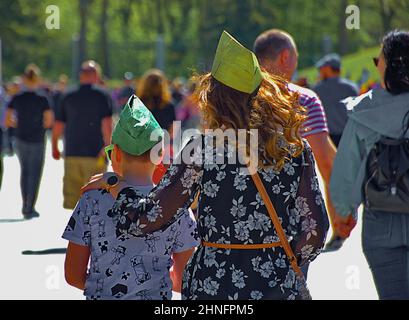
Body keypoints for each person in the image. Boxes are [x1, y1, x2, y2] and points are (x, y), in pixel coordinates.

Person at [82, 31, 329, 300]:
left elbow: (147, 220)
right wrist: (278, 259)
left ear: (214, 97)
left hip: (215, 286)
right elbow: (315, 231)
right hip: (278, 287)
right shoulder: (295, 148)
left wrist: (116, 185)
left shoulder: (202, 149)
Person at [63, 95, 198, 300]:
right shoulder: (177, 206)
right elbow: (184, 280)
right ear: (159, 155)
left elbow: (73, 275)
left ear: (116, 153)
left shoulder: (91, 200)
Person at [253, 29, 353, 253]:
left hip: (233, 223)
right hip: (288, 224)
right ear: (285, 57)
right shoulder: (303, 99)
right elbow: (326, 162)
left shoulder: (232, 97)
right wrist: (343, 212)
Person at [330, 30, 409, 300]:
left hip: (380, 220)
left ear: (388, 66)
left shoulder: (365, 111)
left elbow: (346, 169)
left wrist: (344, 214)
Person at [52, 60, 113, 210]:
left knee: (73, 201)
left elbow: (58, 124)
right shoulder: (102, 95)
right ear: (96, 75)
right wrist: (108, 147)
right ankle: (91, 232)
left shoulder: (67, 95)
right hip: (95, 154)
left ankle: (75, 231)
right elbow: (107, 124)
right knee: (95, 198)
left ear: (80, 76)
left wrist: (54, 146)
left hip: (72, 153)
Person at [5, 64, 53, 218]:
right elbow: (48, 121)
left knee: (25, 171)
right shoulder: (42, 98)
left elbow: (7, 119)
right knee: (35, 172)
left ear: (24, 79)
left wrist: (18, 124)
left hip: (20, 137)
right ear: (37, 79)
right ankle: (31, 206)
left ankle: (25, 204)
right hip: (37, 138)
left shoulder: (17, 97)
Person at [313, 53, 359, 147]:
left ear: (328, 69)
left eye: (321, 68)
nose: (320, 71)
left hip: (329, 140)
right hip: (349, 137)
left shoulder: (318, 89)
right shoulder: (351, 87)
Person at [138, 69, 176, 136]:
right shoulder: (169, 104)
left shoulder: (138, 104)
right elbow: (174, 129)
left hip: (143, 144)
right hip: (163, 143)